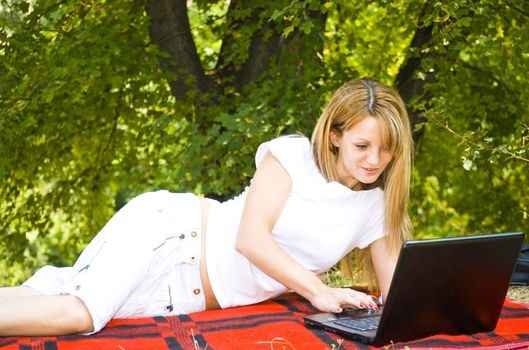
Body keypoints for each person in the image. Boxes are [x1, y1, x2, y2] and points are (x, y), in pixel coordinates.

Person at [0, 78, 413, 336]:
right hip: (173, 237)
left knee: (39, 301)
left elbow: (401, 297)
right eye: (363, 145)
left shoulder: (373, 207)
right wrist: (319, 291)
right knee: (76, 315)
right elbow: (250, 239)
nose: (374, 160)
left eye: (386, 149)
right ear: (335, 135)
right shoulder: (293, 156)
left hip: (181, 296)